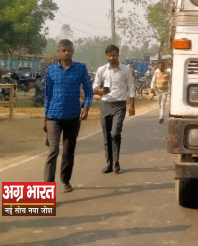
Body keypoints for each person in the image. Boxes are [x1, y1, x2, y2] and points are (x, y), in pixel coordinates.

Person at [43, 39, 93, 193]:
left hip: (72, 116)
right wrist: (45, 118)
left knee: (68, 150)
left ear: (73, 51)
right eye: (63, 50)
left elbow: (89, 90)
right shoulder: (51, 70)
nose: (66, 53)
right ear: (58, 51)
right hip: (53, 116)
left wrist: (86, 107)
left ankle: (65, 180)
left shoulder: (80, 68)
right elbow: (47, 95)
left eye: (69, 50)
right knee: (53, 151)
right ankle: (47, 189)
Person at [93, 45, 135, 174]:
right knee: (106, 136)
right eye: (109, 56)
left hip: (119, 105)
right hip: (105, 104)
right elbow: (95, 85)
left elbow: (131, 87)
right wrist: (99, 90)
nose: (112, 58)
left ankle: (116, 160)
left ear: (118, 55)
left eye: (114, 55)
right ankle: (109, 163)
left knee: (115, 133)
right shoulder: (102, 70)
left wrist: (132, 105)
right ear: (106, 56)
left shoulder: (126, 70)